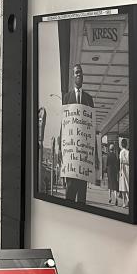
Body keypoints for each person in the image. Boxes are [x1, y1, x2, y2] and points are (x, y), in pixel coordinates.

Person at [61, 64, 94, 203]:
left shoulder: (88, 99)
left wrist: (94, 154)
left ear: (83, 76)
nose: (79, 75)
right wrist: (60, 147)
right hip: (71, 156)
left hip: (83, 157)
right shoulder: (67, 97)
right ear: (73, 76)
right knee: (70, 192)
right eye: (76, 73)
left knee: (82, 197)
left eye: (80, 72)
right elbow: (63, 123)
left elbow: (91, 128)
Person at [120, 138, 130, 208]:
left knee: (123, 186)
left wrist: (120, 171)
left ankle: (124, 203)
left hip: (123, 169)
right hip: (128, 169)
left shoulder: (121, 152)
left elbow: (120, 162)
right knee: (128, 185)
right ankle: (129, 199)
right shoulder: (128, 152)